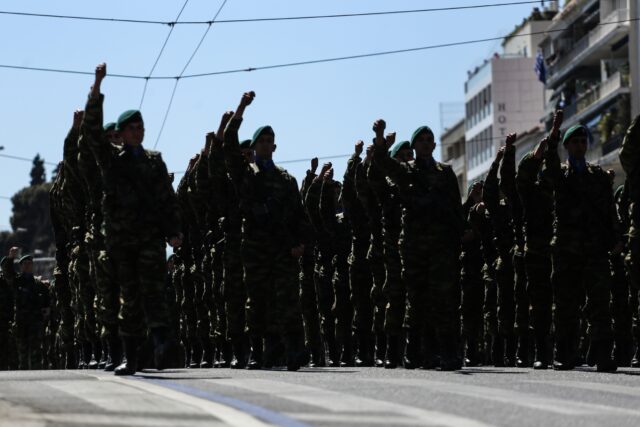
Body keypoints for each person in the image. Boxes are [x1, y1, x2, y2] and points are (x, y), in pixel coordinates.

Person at [82, 63, 183, 375]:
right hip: (123, 241)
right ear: (122, 133)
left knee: (155, 291)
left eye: (141, 127)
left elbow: (167, 199)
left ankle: (162, 344)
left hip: (151, 238)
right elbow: (91, 132)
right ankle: (131, 355)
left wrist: (173, 231)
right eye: (132, 128)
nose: (138, 131)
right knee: (130, 296)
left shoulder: (154, 161)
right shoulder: (112, 161)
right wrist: (97, 88)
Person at [223, 91, 307, 371]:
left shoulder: (286, 180)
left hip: (282, 247)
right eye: (262, 140)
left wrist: (299, 243)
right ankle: (257, 351)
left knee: (287, 298)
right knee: (257, 299)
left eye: (270, 141)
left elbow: (297, 215)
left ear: (275, 146)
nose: (266, 144)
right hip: (256, 247)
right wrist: (241, 108)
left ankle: (291, 348)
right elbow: (229, 144)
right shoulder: (246, 173)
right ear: (255, 145)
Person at [373, 119, 464, 371]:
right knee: (417, 300)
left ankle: (447, 353)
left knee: (443, 299)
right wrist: (380, 136)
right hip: (414, 246)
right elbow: (382, 162)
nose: (425, 144)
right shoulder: (406, 170)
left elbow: (455, 207)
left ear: (434, 145)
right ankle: (413, 352)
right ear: (414, 146)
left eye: (428, 140)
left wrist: (459, 238)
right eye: (420, 140)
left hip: (441, 247)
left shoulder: (445, 172)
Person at [545, 112, 617, 372]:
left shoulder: (597, 175)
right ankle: (564, 352)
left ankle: (602, 354)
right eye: (574, 142)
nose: (579, 146)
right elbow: (549, 164)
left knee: (599, 301)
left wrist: (614, 238)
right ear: (566, 147)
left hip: (595, 248)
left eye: (582, 141)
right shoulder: (560, 176)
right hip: (567, 249)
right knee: (567, 303)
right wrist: (554, 132)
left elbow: (609, 210)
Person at [2, 248, 51, 370]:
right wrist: (10, 257)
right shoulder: (17, 281)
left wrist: (46, 312)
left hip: (35, 322)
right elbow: (7, 272)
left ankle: (36, 374)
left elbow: (47, 300)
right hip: (21, 322)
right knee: (22, 352)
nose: (28, 266)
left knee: (36, 351)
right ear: (21, 267)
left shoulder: (38, 284)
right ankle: (24, 375)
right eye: (25, 264)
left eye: (30, 263)